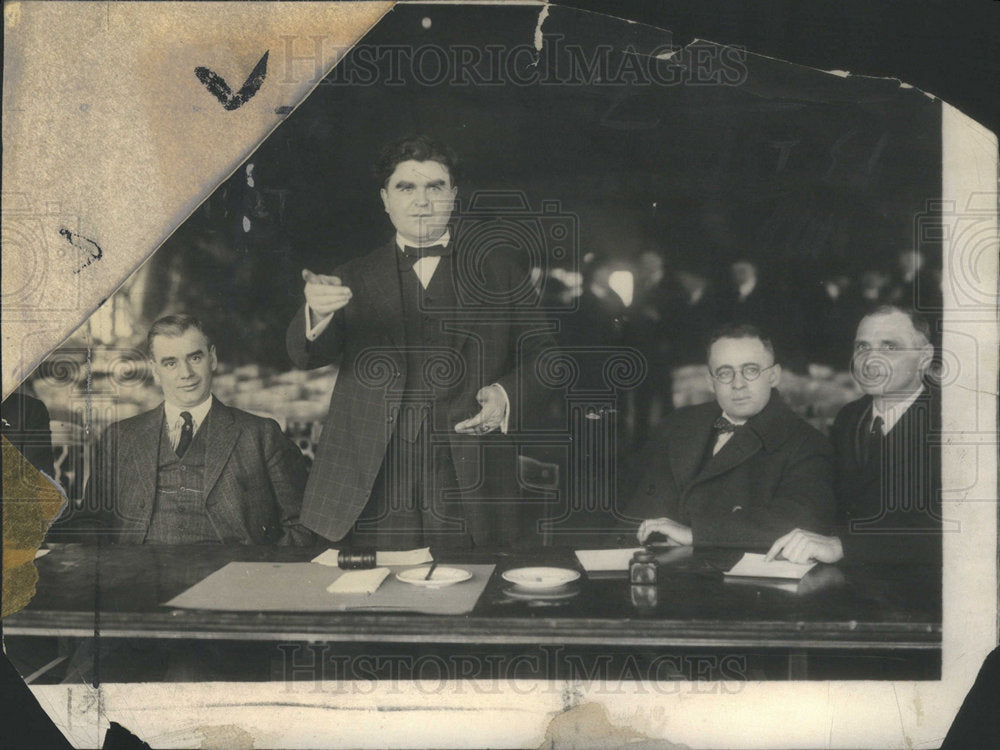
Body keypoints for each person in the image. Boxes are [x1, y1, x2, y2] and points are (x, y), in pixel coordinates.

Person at [285, 135, 553, 549]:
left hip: (469, 475)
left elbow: (546, 358)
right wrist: (317, 313)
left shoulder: (500, 269)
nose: (422, 201)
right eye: (406, 187)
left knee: (467, 593)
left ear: (454, 195)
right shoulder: (353, 276)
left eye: (435, 187)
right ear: (385, 199)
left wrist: (505, 394)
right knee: (374, 602)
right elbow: (305, 355)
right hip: (370, 478)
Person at [83, 314, 311, 545]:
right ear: (154, 370)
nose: (186, 373)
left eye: (194, 358)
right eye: (170, 363)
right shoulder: (120, 437)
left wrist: (260, 572)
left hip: (231, 575)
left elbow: (302, 525)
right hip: (140, 574)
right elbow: (92, 527)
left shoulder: (261, 435)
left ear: (212, 359)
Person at [631, 323, 834, 549]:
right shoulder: (678, 423)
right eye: (725, 373)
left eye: (750, 370)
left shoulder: (807, 443)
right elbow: (632, 505)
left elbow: (799, 522)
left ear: (774, 376)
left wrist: (695, 534)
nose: (738, 384)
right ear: (711, 382)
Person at [766, 306, 941, 564]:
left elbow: (956, 533)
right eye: (862, 347)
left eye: (889, 347)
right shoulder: (850, 416)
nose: (871, 360)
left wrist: (844, 546)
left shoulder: (952, 422)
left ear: (925, 357)